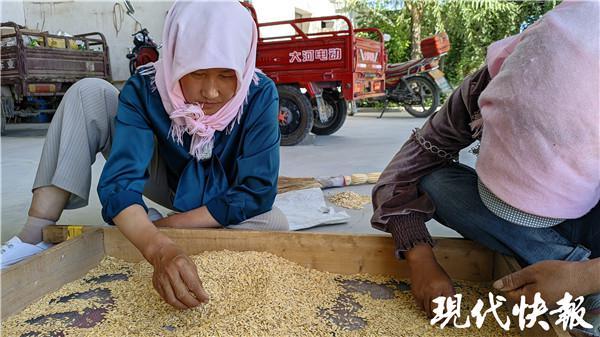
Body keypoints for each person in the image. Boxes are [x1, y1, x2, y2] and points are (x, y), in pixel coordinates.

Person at [1, 0, 288, 309]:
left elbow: (256, 190)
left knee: (274, 222)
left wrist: (161, 232)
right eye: (198, 72)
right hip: (166, 180)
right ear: (177, 57)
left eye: (226, 75)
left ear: (243, 65)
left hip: (222, 190)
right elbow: (120, 183)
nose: (211, 92)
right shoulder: (146, 88)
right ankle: (31, 238)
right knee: (89, 94)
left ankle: (146, 222)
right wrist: (157, 250)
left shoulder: (259, 92)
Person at [371, 1, 599, 335]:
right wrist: (420, 258)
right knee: (435, 182)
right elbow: (401, 174)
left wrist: (584, 277)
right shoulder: (486, 86)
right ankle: (564, 265)